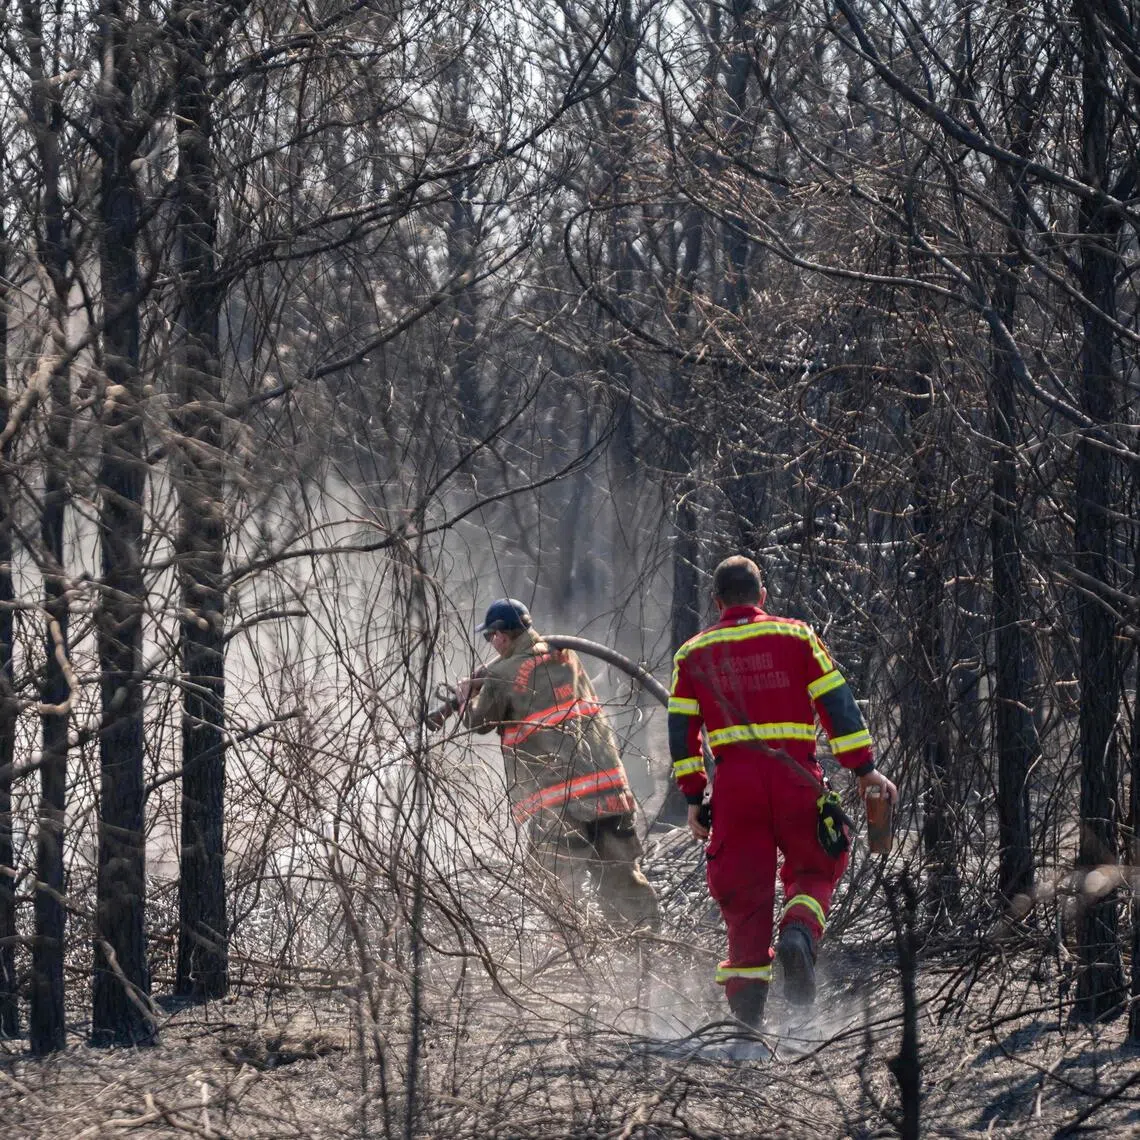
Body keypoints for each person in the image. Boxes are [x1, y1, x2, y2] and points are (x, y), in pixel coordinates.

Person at [667, 556, 897, 1027]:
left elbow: (681, 733)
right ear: (762, 596)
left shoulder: (692, 654)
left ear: (717, 602)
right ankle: (799, 929)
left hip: (734, 790)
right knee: (818, 864)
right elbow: (837, 702)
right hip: (797, 778)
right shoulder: (796, 636)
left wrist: (694, 797)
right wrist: (864, 769)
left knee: (744, 895)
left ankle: (749, 1030)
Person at [457, 598, 661, 931]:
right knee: (622, 882)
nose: (491, 643)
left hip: (559, 805)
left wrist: (467, 697)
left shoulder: (501, 673)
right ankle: (646, 950)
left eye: (490, 637)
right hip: (609, 791)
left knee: (558, 891)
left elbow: (479, 723)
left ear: (500, 636)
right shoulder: (568, 656)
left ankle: (571, 962)